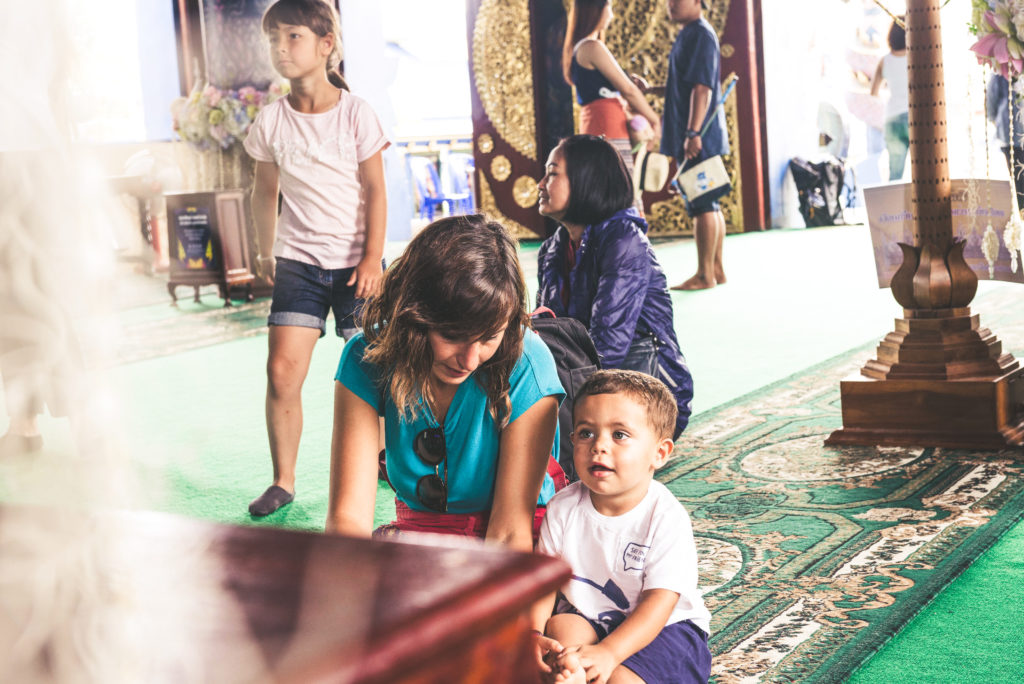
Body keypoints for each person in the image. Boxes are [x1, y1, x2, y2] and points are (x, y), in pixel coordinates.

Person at [327, 215, 564, 550]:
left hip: (516, 540)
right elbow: (347, 520)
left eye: (488, 338)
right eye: (452, 335)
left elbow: (510, 532)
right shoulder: (366, 356)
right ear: (414, 314)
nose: (469, 360)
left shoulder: (528, 361)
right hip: (421, 535)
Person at [243, 0, 389, 517]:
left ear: (326, 45)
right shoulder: (271, 122)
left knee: (375, 368)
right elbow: (264, 193)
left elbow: (375, 189)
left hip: (358, 265)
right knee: (282, 371)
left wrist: (373, 259)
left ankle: (382, 461)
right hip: (298, 263)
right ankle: (282, 480)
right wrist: (266, 250)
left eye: (293, 37)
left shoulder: (355, 113)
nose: (281, 49)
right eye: (274, 40)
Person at [533, 370, 711, 684]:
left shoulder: (665, 517)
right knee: (560, 638)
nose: (599, 446)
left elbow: (659, 602)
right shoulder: (562, 507)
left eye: (619, 435)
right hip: (590, 615)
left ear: (659, 453)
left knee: (620, 680)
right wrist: (533, 634)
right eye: (586, 433)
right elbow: (543, 585)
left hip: (664, 627)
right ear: (572, 439)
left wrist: (610, 653)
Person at [536, 134, 694, 438]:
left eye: (553, 173)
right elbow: (544, 332)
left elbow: (609, 345)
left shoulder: (624, 240)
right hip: (585, 377)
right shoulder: (553, 249)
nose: (541, 184)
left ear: (587, 180)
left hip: (645, 386)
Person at [633, 0, 729, 291]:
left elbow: (703, 88)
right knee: (707, 199)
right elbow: (684, 85)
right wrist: (651, 90)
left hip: (699, 133)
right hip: (695, 132)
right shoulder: (690, 33)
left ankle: (704, 275)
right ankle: (716, 269)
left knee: (702, 203)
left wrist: (693, 132)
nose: (670, 4)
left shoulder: (700, 33)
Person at [563, 0, 661, 172]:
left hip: (598, 124)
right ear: (596, 10)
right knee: (616, 190)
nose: (612, 15)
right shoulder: (591, 46)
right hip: (607, 125)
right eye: (609, 8)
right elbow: (628, 90)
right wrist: (654, 119)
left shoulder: (582, 48)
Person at [870, 17, 908, 182]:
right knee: (923, 171)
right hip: (914, 118)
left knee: (895, 176)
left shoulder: (884, 61)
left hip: (892, 118)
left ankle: (894, 208)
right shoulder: (916, 57)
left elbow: (873, 92)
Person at [987, 73, 1024, 211]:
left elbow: (991, 104)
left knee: (1017, 179)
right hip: (1010, 134)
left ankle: (1021, 210)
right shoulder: (999, 74)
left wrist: (995, 120)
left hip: (1009, 133)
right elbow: (991, 103)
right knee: (1017, 178)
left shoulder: (999, 74)